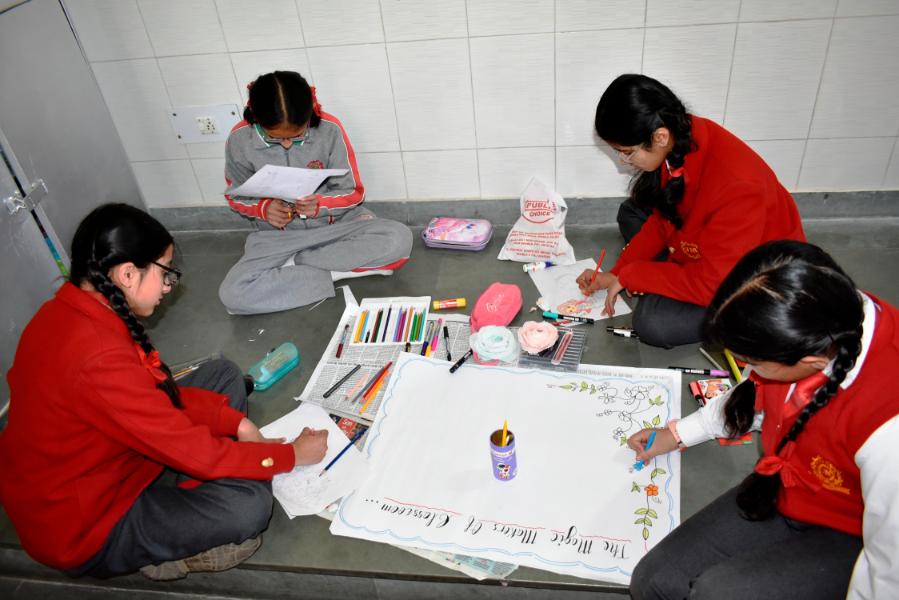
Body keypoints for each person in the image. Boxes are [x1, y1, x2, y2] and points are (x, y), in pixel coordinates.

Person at [0, 203, 329, 581]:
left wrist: (238, 424)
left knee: (223, 374)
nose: (169, 286)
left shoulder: (70, 311)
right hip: (89, 522)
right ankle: (168, 541)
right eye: (165, 272)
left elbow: (151, 397)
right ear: (127, 274)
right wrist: (289, 455)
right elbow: (191, 448)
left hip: (112, 459)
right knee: (249, 507)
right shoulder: (98, 359)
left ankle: (191, 492)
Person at [626, 240, 899, 599]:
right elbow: (750, 396)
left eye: (753, 361)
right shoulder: (813, 320)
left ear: (811, 363)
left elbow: (887, 575)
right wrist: (678, 433)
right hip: (785, 488)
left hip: (856, 535)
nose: (748, 371)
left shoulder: (889, 431)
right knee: (654, 581)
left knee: (715, 593)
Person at [577, 74, 805, 347]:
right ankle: (669, 274)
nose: (623, 161)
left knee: (653, 324)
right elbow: (664, 217)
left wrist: (634, 275)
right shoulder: (679, 136)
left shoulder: (739, 188)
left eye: (626, 152)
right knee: (631, 212)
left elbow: (713, 284)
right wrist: (618, 271)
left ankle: (671, 278)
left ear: (659, 137)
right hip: (704, 244)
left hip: (749, 277)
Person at [219, 70, 413, 315]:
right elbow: (235, 196)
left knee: (398, 238)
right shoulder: (239, 139)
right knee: (233, 295)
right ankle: (336, 270)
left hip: (337, 226)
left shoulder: (329, 129)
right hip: (278, 238)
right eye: (275, 137)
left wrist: (321, 204)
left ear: (311, 112)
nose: (287, 143)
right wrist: (263, 209)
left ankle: (297, 265)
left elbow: (353, 192)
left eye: (297, 135)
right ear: (255, 118)